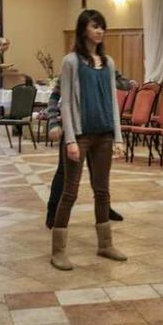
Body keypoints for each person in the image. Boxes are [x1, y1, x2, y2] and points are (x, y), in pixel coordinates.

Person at [50, 9, 126, 271]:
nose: (100, 31)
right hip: (80, 136)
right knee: (70, 192)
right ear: (83, 30)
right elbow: (66, 103)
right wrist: (70, 139)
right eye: (95, 26)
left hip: (104, 135)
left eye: (102, 26)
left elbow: (113, 103)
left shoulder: (108, 62)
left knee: (102, 191)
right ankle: (58, 251)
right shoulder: (71, 61)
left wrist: (118, 137)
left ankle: (105, 244)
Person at [44, 71, 135, 229]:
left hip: (100, 130)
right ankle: (52, 212)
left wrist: (109, 79)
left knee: (100, 175)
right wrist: (53, 122)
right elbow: (54, 98)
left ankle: (105, 209)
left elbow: (126, 84)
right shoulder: (70, 68)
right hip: (75, 130)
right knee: (63, 174)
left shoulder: (104, 66)